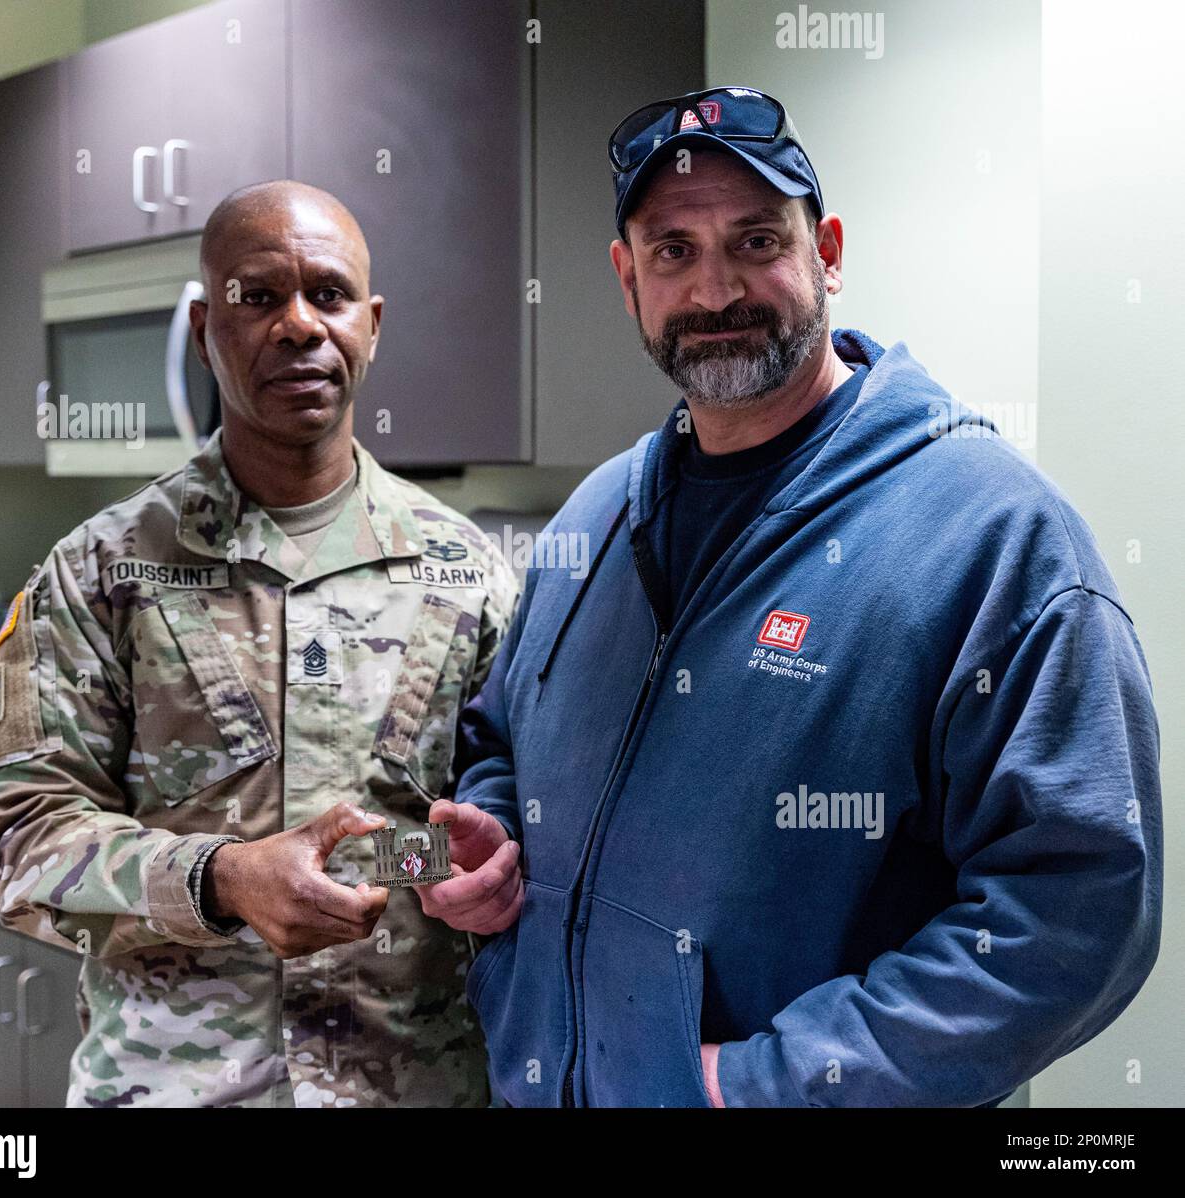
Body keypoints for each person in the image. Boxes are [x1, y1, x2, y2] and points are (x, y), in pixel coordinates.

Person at [421, 87, 1163, 1107]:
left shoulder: (991, 534)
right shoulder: (592, 520)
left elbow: (1074, 908)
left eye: (756, 238)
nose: (716, 288)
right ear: (625, 277)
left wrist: (773, 1083)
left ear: (829, 252)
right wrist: (497, 842)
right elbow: (498, 735)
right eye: (672, 250)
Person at [0, 180, 519, 1107]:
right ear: (207, 328)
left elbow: (499, 825)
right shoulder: (103, 568)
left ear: (371, 324)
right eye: (259, 298)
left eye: (328, 295)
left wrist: (486, 870)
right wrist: (221, 879)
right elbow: (16, 837)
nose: (298, 326)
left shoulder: (471, 574)